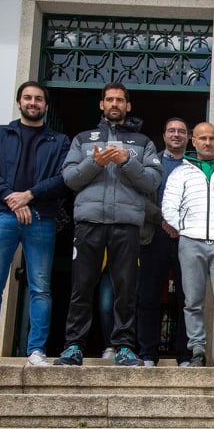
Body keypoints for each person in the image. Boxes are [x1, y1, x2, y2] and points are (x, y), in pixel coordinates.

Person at [0, 81, 70, 367]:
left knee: (41, 286)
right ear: (19, 101)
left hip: (40, 218)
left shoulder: (58, 141)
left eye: (38, 99)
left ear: (46, 105)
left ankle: (36, 350)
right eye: (28, 98)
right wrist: (13, 198)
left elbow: (63, 179)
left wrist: (30, 196)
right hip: (2, 215)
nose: (33, 102)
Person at [55, 82, 162, 366]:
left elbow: (152, 180)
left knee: (126, 290)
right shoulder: (82, 139)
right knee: (82, 287)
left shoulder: (143, 142)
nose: (115, 104)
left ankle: (125, 347)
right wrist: (95, 163)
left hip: (126, 224)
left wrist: (127, 162)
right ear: (101, 105)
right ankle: (74, 346)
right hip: (89, 222)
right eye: (109, 100)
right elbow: (70, 179)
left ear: (128, 106)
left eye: (120, 100)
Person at [162, 122, 214, 368]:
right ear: (194, 140)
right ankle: (197, 351)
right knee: (192, 301)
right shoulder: (180, 172)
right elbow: (169, 205)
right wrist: (185, 228)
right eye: (202, 138)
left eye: (212, 138)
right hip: (190, 242)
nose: (207, 143)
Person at [136, 117, 191, 366]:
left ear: (188, 137)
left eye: (181, 131)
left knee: (186, 298)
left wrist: (182, 226)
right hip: (153, 236)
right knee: (149, 297)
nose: (176, 135)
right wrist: (163, 221)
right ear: (164, 135)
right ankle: (148, 353)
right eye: (172, 131)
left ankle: (185, 355)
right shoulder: (150, 163)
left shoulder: (195, 166)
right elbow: (141, 198)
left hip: (186, 239)